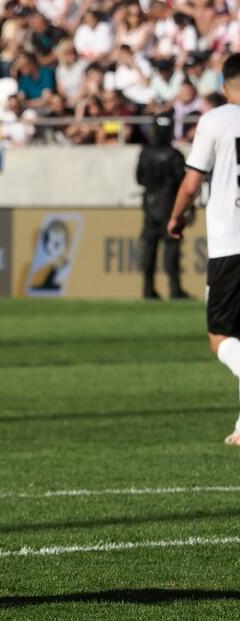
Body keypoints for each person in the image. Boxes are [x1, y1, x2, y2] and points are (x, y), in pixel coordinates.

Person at [168, 53, 240, 446]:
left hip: (231, 242)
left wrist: (176, 217)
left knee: (221, 337)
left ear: (227, 84)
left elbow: (192, 183)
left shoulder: (215, 120)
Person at [136, 114, 188, 300]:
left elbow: (139, 178)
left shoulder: (145, 153)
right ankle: (175, 289)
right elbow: (183, 182)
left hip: (150, 203)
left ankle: (148, 289)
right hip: (169, 204)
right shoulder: (174, 155)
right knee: (171, 245)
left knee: (150, 246)